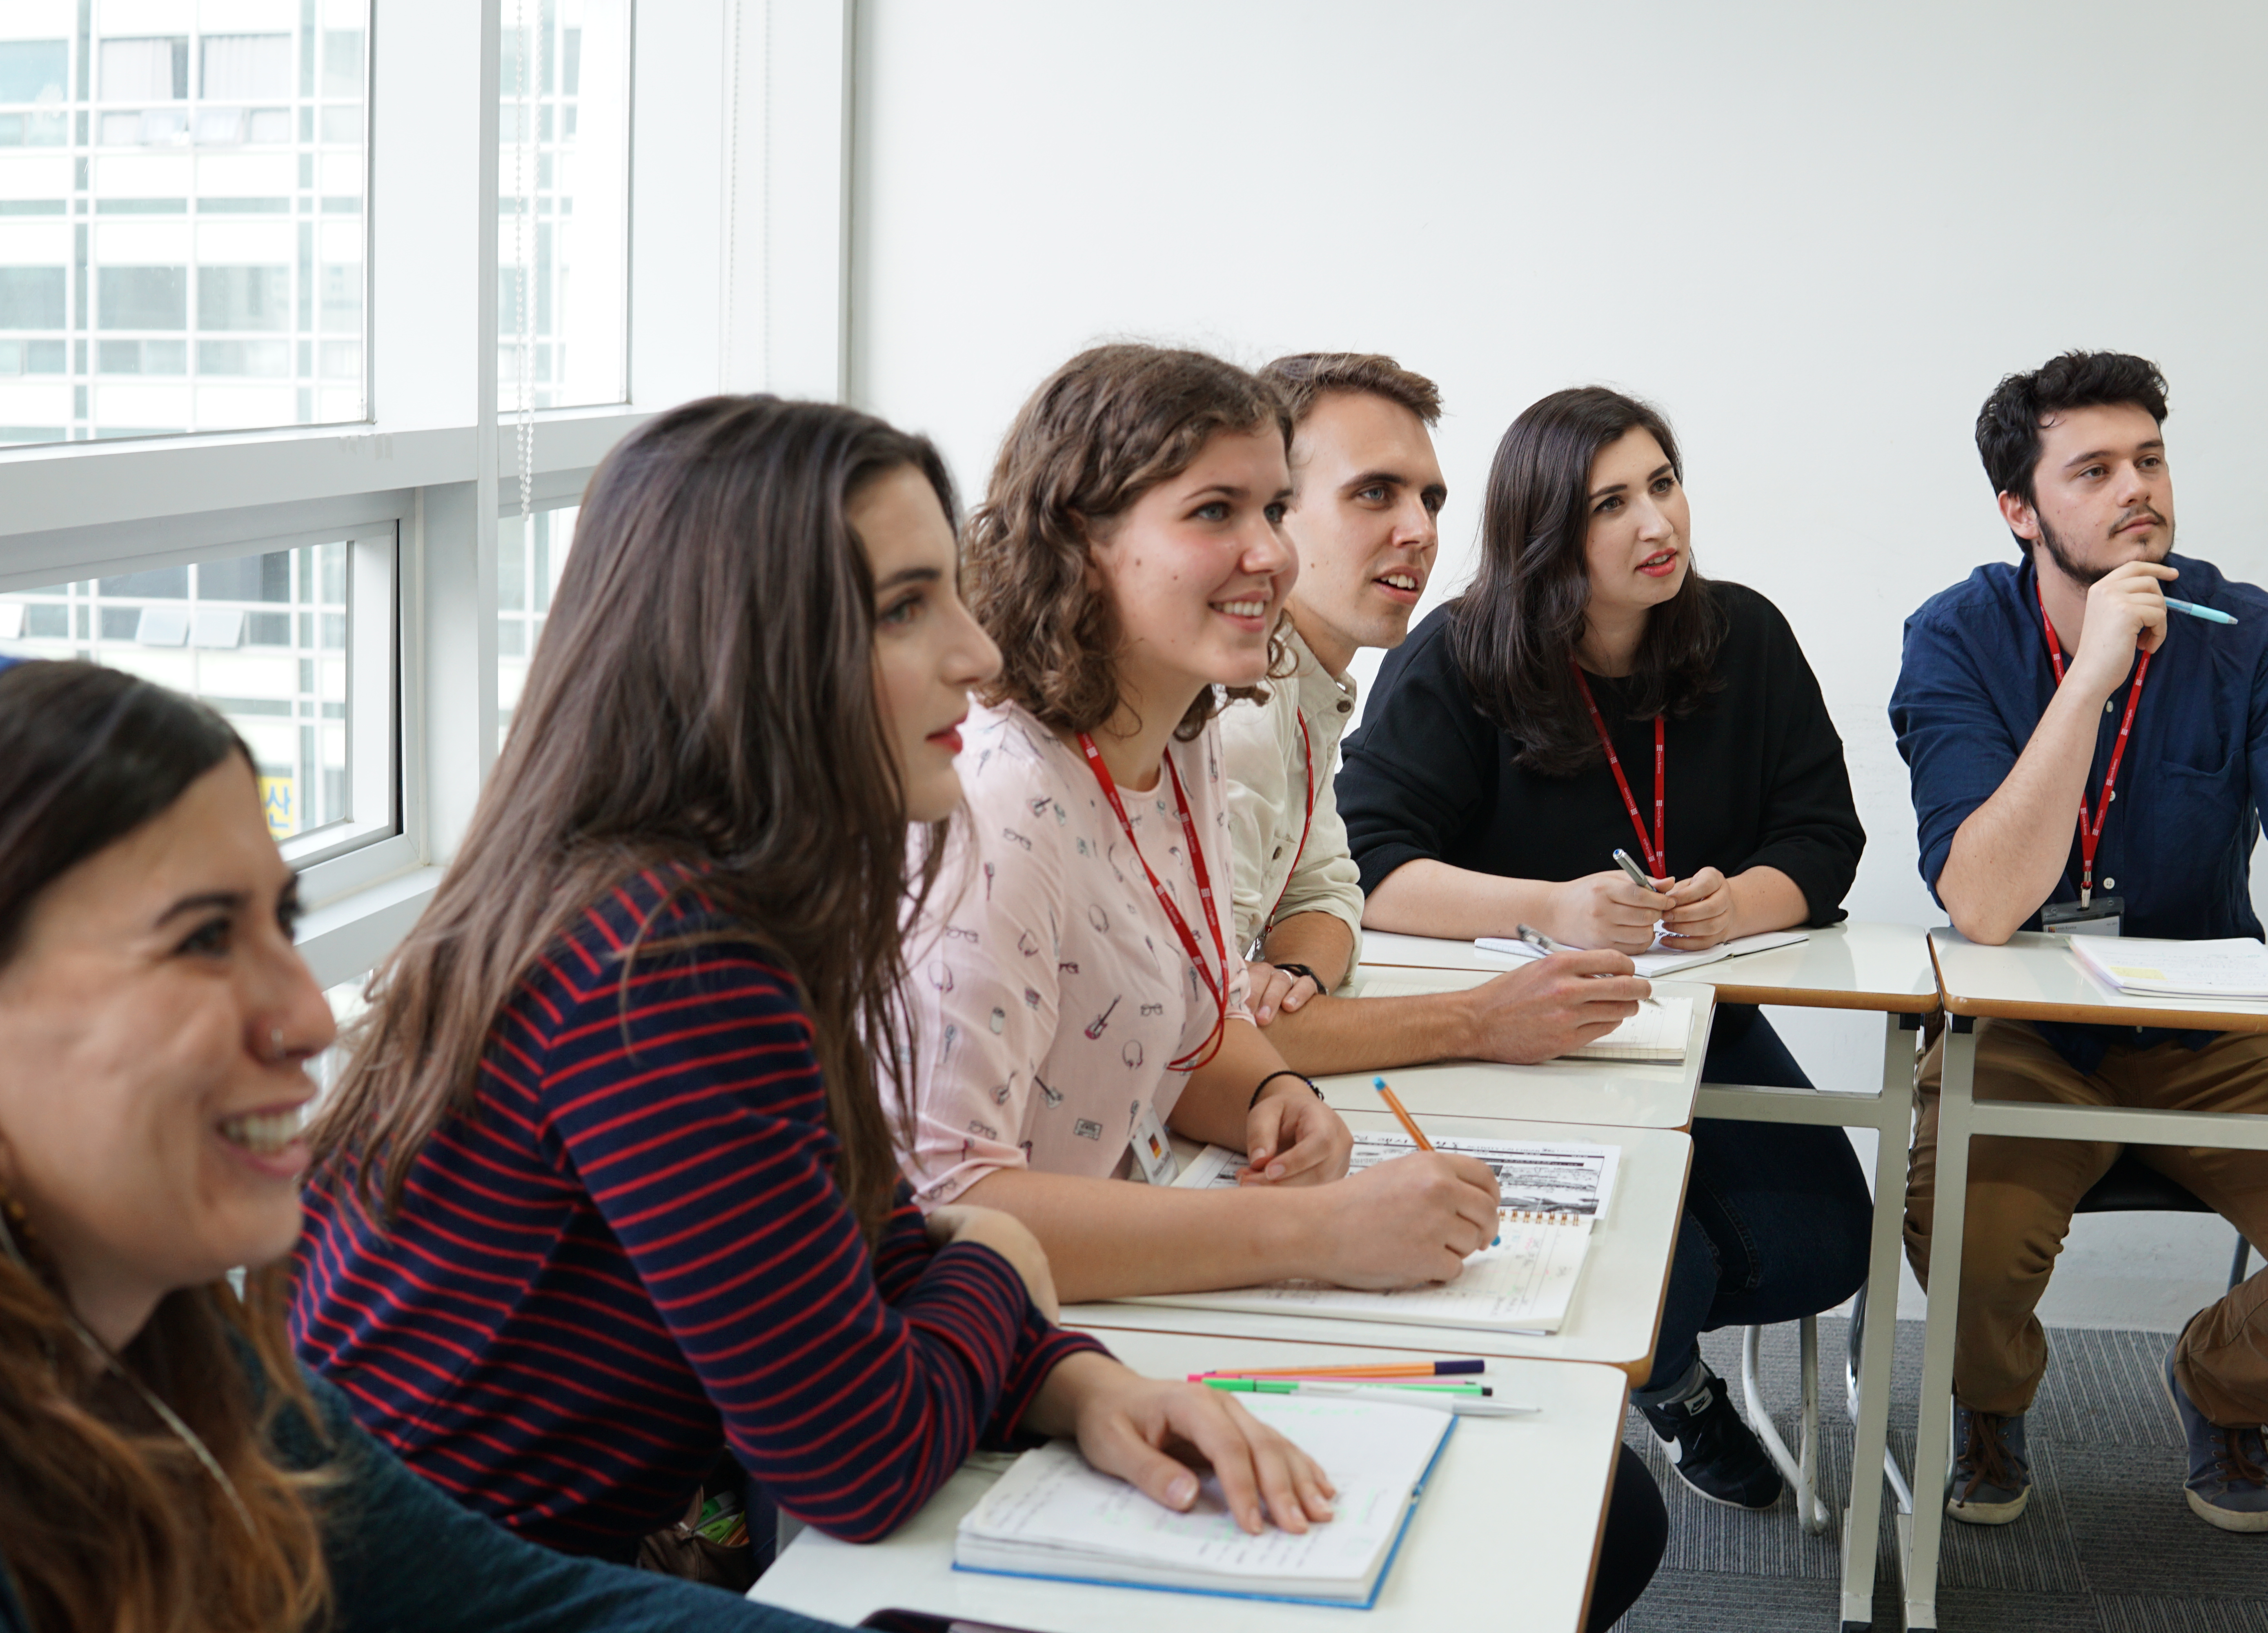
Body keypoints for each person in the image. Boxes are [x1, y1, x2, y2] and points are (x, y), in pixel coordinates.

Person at [289, 398, 1333, 1566]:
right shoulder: (664, 959)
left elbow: (854, 1255)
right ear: (746, 646)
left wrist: (1079, 1384)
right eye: (903, 609)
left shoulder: (706, 898)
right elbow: (858, 1463)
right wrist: (998, 1262)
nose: (976, 651)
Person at [905, 343, 1664, 1631]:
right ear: (1078, 542)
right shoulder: (1004, 802)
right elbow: (948, 1206)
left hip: (1120, 1291)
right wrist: (1323, 1232)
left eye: (1268, 510)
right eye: (1216, 514)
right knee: (1556, 1528)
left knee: (1601, 1508)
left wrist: (1273, 1093)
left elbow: (1200, 1027)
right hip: (991, 1357)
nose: (1269, 552)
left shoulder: (1177, 739)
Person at [0, 659, 852, 1632]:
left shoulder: (198, 1367)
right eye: (203, 939)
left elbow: (527, 1607)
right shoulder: (653, 956)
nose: (306, 1018)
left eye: (282, 921)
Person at [1888, 349, 2268, 1533]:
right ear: (2021, 511)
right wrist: (2087, 679)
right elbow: (1982, 903)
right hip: (2023, 1022)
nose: (2139, 489)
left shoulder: (2253, 636)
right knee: (1963, 1231)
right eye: (2094, 469)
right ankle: (1990, 1398)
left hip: (2209, 1027)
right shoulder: (1955, 639)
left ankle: (2218, 1384)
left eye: (2150, 460)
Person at [1338, 385, 1874, 1511]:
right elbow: (1372, 869)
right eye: (1612, 504)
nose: (1656, 524)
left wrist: (1745, 906)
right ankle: (1675, 1390)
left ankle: (1651, 1345)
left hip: (1696, 1022)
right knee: (1639, 1269)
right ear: (1548, 534)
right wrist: (1551, 908)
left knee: (1827, 1242)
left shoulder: (1747, 636)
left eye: (1665, 485)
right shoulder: (1461, 654)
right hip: (1517, 1033)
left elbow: (1823, 839)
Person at [1218, 352, 1653, 1073]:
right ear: (1270, 512)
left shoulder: (1306, 689)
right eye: (1375, 494)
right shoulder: (1235, 717)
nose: (1421, 530)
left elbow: (1326, 891)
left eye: (1431, 500)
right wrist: (1479, 1021)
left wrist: (1294, 981)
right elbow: (1196, 1036)